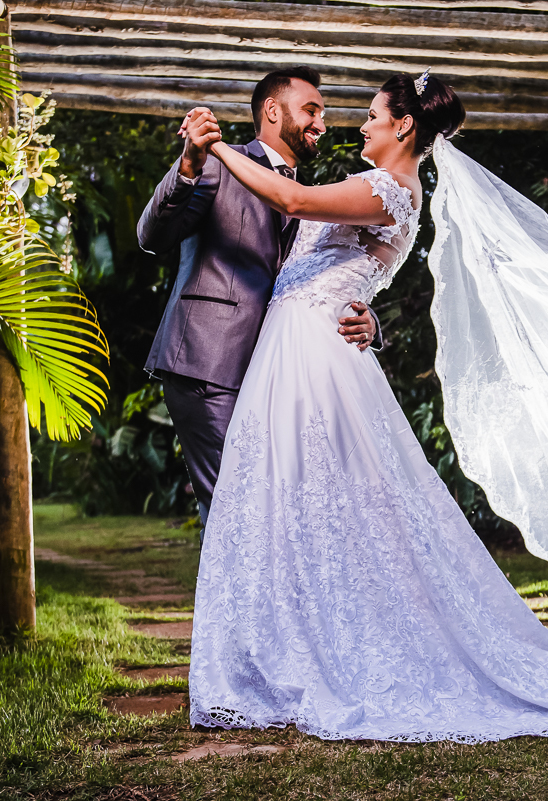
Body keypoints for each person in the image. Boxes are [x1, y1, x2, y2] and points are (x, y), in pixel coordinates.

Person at [179, 72, 548, 743]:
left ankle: (325, 652)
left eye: (374, 114)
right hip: (299, 347)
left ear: (404, 126)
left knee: (322, 501)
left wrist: (219, 145)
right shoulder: (386, 190)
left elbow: (290, 199)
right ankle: (289, 648)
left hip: (310, 358)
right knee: (298, 503)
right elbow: (336, 264)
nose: (363, 125)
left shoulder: (386, 189)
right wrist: (368, 317)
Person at [136, 66, 380, 518]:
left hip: (274, 374)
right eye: (311, 110)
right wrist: (188, 164)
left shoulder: (302, 194)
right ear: (272, 109)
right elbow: (151, 236)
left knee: (272, 515)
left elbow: (317, 277)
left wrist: (369, 320)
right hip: (209, 363)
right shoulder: (217, 163)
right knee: (237, 510)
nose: (321, 125)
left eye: (323, 114)